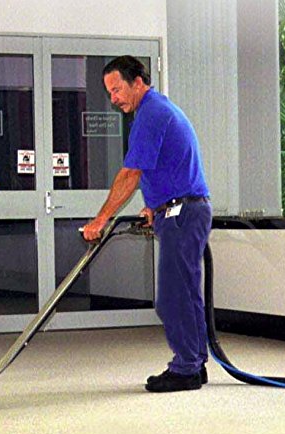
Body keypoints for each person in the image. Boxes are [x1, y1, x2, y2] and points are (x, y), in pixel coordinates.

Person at [83, 55, 212, 393]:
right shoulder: (156, 110)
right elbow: (166, 166)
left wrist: (101, 218)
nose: (113, 98)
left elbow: (131, 174)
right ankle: (194, 362)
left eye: (116, 89)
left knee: (172, 296)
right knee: (185, 291)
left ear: (137, 82)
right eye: (109, 93)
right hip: (182, 211)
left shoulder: (151, 114)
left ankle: (186, 368)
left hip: (183, 214)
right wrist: (154, 206)